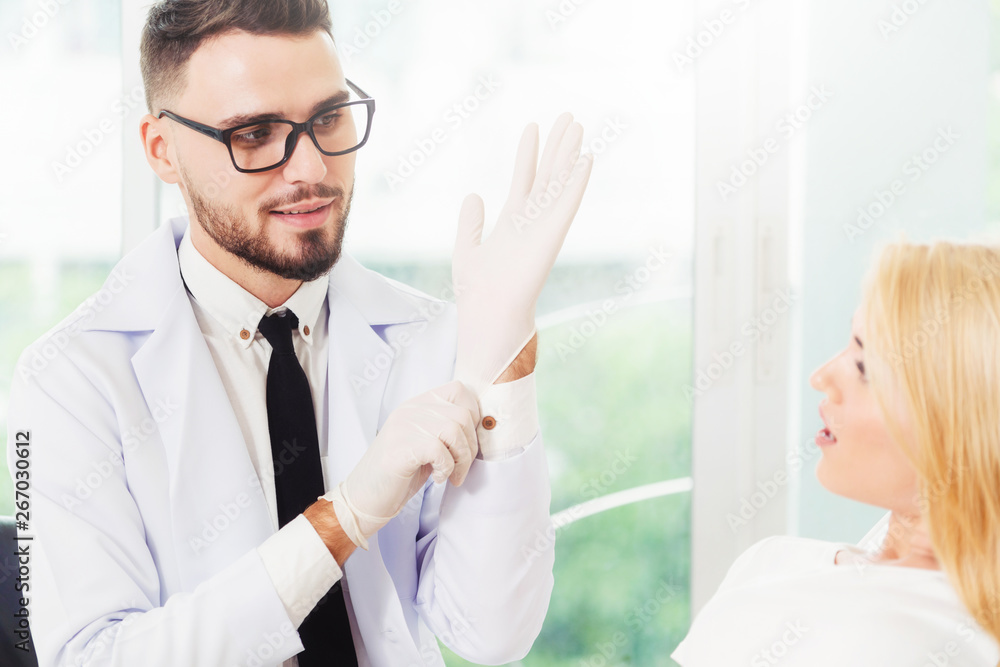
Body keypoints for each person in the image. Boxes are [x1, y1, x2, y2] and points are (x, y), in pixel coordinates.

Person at [4, 1, 593, 665]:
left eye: (328, 118)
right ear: (161, 149)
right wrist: (344, 517)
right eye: (255, 133)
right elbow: (92, 656)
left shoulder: (423, 337)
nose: (311, 168)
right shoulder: (67, 378)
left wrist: (499, 359)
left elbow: (492, 634)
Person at [672, 241, 1000, 666]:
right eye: (850, 344)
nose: (821, 377)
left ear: (961, 424)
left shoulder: (901, 638)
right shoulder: (776, 562)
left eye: (865, 368)